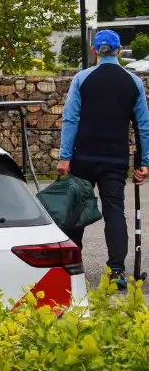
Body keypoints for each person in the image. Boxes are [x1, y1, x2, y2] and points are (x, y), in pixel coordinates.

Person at [58, 30, 149, 290]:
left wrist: (65, 157)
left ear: (95, 51)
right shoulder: (133, 83)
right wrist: (144, 163)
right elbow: (143, 126)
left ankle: (71, 268)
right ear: (120, 50)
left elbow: (71, 119)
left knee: (76, 211)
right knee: (114, 211)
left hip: (83, 157)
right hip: (115, 159)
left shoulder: (82, 79)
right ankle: (117, 270)